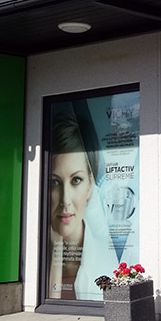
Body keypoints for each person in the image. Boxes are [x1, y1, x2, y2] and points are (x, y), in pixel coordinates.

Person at [47, 116, 102, 300]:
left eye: (76, 180)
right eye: (54, 182)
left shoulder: (108, 257)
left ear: (90, 186)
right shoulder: (32, 254)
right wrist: (56, 249)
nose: (65, 200)